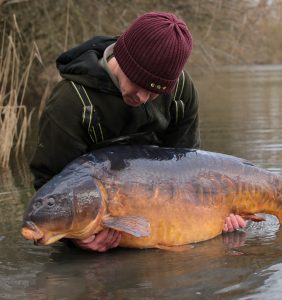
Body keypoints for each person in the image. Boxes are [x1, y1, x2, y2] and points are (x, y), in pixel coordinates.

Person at [30, 11, 246, 252]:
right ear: (123, 58)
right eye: (138, 82)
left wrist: (217, 213)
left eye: (154, 92)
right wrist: (76, 239)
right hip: (94, 221)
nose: (143, 98)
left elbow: (188, 169)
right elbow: (50, 186)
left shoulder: (181, 92)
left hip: (156, 216)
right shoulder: (70, 102)